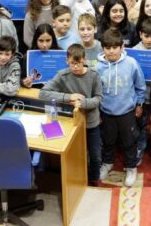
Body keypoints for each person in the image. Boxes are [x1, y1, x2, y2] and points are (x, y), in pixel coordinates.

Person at [39, 44, 103, 184]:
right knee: (75, 156)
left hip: (91, 123)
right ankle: (76, 182)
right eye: (72, 63)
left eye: (79, 63)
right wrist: (68, 97)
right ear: (67, 61)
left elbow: (98, 98)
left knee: (95, 156)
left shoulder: (94, 75)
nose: (75, 67)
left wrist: (84, 102)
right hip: (71, 123)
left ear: (84, 60)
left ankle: (94, 178)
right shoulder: (63, 75)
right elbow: (43, 93)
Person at [96, 28, 146, 187]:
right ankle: (107, 162)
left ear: (121, 47)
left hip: (127, 111)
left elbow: (140, 86)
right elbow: (95, 91)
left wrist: (139, 104)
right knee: (108, 140)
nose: (111, 51)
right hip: (106, 111)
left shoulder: (131, 64)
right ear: (102, 48)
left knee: (129, 141)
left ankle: (131, 167)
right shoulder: (97, 67)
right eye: (107, 48)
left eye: (114, 47)